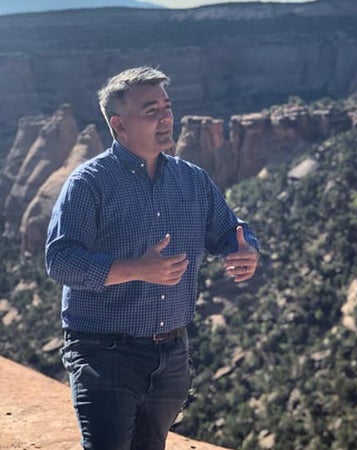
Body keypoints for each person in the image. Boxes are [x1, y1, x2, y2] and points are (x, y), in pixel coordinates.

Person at [45, 66, 260, 450]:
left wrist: (244, 250)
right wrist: (135, 269)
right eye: (150, 110)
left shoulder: (192, 179)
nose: (165, 118)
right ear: (119, 124)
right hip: (104, 352)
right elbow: (60, 260)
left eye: (167, 107)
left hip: (172, 355)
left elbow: (229, 229)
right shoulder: (89, 183)